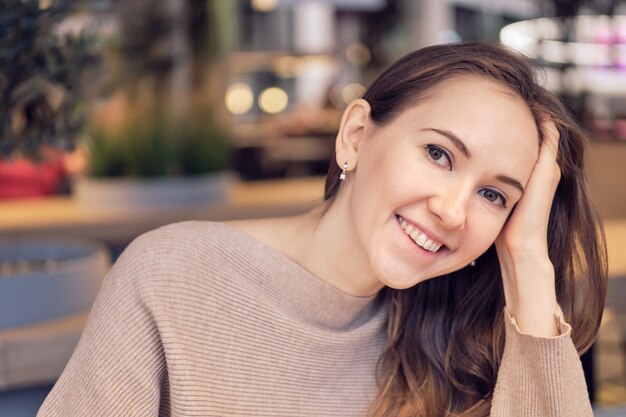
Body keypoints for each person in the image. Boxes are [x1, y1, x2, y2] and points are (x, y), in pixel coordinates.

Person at [37, 42, 607, 417]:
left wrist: (530, 260)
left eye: (493, 195)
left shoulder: (457, 340)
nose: (454, 211)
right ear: (356, 135)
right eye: (438, 153)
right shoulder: (173, 276)